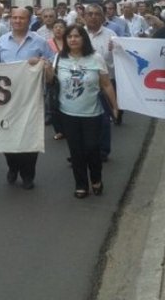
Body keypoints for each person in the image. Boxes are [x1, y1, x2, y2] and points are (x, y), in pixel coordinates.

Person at [46, 24, 119, 199]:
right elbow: (51, 82)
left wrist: (115, 107)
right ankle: (81, 184)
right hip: (67, 113)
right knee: (76, 151)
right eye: (69, 36)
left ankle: (96, 178)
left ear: (84, 39)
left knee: (92, 148)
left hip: (93, 113)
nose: (73, 39)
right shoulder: (59, 58)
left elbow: (106, 84)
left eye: (77, 36)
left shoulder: (96, 58)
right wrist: (47, 70)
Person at [0, 7, 54, 190]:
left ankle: (28, 174)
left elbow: (51, 67)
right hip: (6, 99)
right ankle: (12, 165)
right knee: (6, 135)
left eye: (21, 18)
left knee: (29, 137)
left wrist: (43, 64)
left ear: (29, 20)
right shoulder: (2, 41)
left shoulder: (40, 42)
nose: (17, 21)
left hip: (31, 98)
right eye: (14, 18)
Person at [84, 4, 119, 155]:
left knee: (103, 119)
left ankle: (103, 150)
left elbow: (122, 58)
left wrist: (118, 48)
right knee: (83, 121)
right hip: (84, 84)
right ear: (84, 17)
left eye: (97, 14)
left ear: (103, 16)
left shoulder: (111, 35)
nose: (93, 17)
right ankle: (82, 151)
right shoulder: (78, 34)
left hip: (106, 83)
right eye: (90, 14)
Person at [47, 19, 67, 140]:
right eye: (55, 27)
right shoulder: (47, 43)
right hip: (53, 77)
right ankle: (59, 129)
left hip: (67, 75)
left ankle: (68, 127)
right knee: (54, 104)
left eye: (61, 27)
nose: (58, 29)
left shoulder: (69, 41)